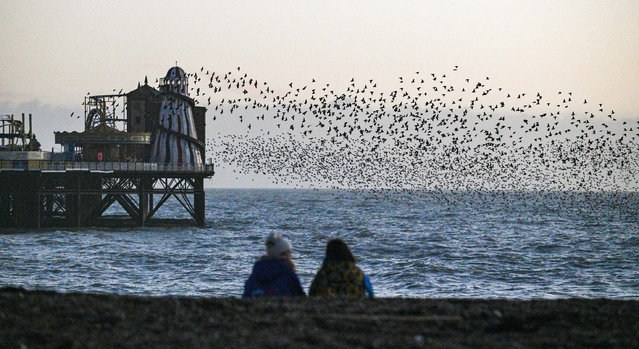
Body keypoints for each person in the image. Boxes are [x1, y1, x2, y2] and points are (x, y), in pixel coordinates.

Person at [242, 232, 305, 298]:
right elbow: (301, 297)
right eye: (289, 253)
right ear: (285, 255)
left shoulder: (256, 273)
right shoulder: (287, 274)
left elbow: (245, 296)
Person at [309, 238, 374, 298]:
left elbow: (313, 291)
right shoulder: (356, 271)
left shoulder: (326, 270)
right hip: (356, 304)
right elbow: (370, 293)